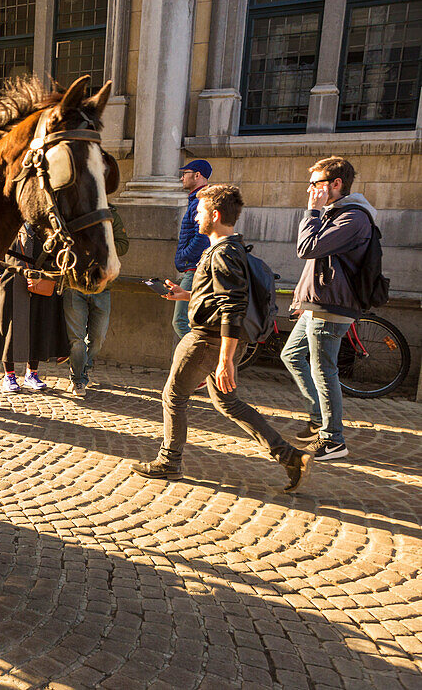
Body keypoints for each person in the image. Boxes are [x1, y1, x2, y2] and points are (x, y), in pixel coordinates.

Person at [130, 184, 312, 492]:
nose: (196, 216)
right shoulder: (232, 247)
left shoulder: (223, 252)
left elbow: (233, 305)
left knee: (173, 397)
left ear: (215, 215)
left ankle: (169, 462)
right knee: (228, 402)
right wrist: (187, 295)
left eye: (200, 211)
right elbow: (222, 295)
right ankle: (290, 457)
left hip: (207, 341)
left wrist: (226, 361)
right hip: (223, 340)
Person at [280, 157, 376, 462]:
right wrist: (300, 300)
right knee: (291, 354)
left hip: (333, 305)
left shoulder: (353, 218)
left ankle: (333, 439)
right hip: (316, 302)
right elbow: (315, 263)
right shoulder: (335, 214)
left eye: (316, 183)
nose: (310, 190)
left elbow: (306, 249)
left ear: (336, 184)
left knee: (324, 370)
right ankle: (319, 417)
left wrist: (313, 212)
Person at [0, 225, 69, 393]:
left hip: (39, 285)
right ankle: (9, 375)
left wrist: (43, 276)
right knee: (9, 330)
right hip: (11, 284)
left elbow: (56, 258)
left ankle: (32, 374)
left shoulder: (45, 229)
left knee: (36, 327)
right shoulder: (8, 224)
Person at [62, 205, 128, 396]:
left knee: (98, 339)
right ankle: (78, 379)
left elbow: (123, 244)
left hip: (101, 287)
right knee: (76, 340)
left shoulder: (111, 214)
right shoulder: (71, 212)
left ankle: (83, 365)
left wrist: (101, 244)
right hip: (75, 285)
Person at [173, 160, 212, 338]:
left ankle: (200, 360)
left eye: (185, 173)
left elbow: (202, 237)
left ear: (197, 175)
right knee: (190, 322)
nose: (181, 177)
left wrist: (183, 255)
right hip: (194, 267)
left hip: (194, 268)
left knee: (180, 321)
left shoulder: (200, 202)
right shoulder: (196, 200)